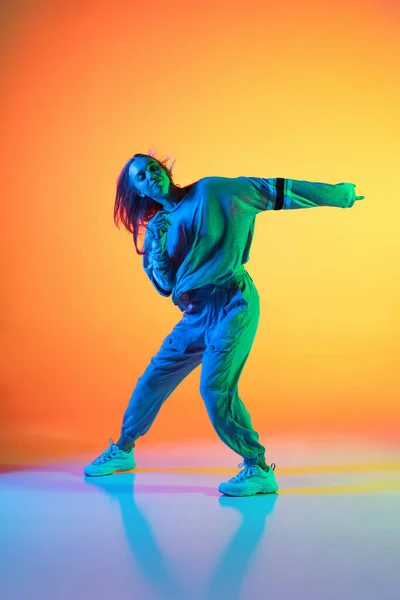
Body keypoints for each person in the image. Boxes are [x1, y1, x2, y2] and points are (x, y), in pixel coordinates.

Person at [84, 152, 364, 496]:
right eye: (139, 177)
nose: (149, 176)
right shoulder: (158, 228)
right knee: (152, 380)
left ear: (165, 170)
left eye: (152, 167)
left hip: (234, 302)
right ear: (138, 191)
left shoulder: (212, 192)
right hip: (196, 315)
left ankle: (258, 468)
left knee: (215, 390)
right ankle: (123, 450)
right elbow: (167, 287)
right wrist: (157, 254)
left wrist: (338, 195)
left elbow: (270, 190)